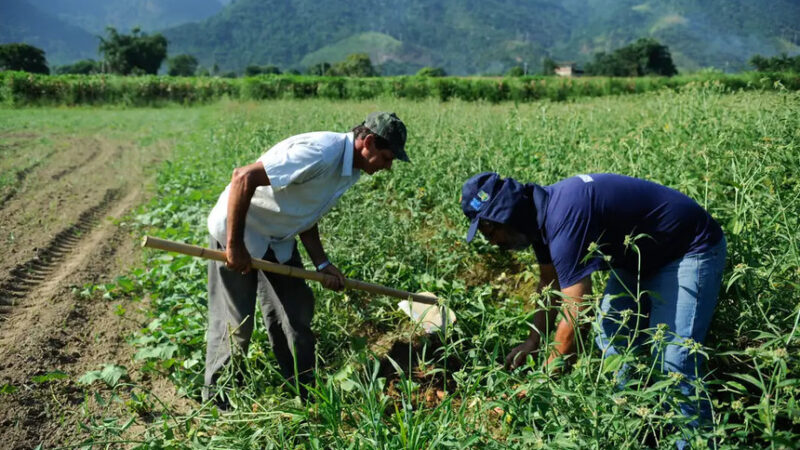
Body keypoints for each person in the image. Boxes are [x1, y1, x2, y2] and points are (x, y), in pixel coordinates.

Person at [460, 172, 726, 427]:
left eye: (488, 231)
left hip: (688, 249)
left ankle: (694, 440)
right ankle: (633, 421)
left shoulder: (564, 217)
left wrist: (538, 386)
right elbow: (549, 284)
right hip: (637, 256)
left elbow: (577, 315)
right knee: (611, 335)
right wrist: (534, 339)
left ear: (505, 215)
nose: (491, 241)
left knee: (674, 363)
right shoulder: (537, 219)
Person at [204, 111, 409, 403]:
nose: (388, 167)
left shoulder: (349, 170)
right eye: (388, 158)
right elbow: (243, 177)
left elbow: (307, 213)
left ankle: (303, 392)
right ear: (370, 142)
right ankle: (217, 401)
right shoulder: (321, 153)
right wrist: (234, 246)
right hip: (239, 231)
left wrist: (323, 264)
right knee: (236, 325)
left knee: (295, 314)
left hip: (278, 239)